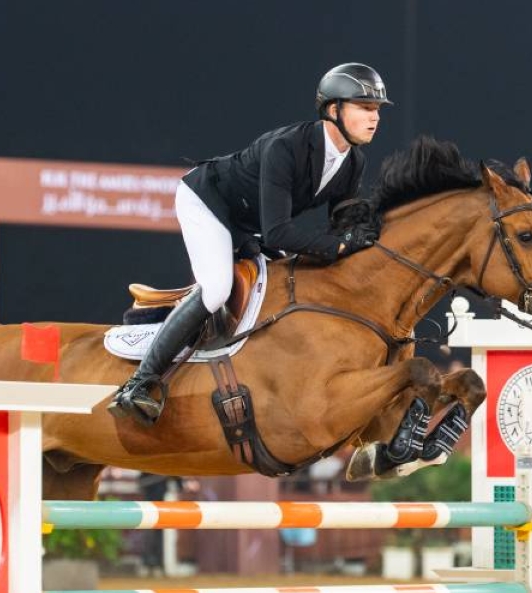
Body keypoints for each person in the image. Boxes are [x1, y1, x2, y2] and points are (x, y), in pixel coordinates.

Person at [108, 63, 392, 426]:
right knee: (216, 289)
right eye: (365, 108)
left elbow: (343, 225)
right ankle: (139, 384)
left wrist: (368, 233)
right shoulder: (286, 148)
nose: (375, 118)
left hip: (248, 224)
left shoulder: (353, 162)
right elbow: (279, 235)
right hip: (207, 202)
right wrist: (339, 247)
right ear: (333, 110)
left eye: (378, 110)